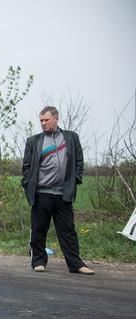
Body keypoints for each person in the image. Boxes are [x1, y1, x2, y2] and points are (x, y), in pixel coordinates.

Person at [21, 106, 94, 275]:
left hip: (63, 194)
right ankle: (38, 261)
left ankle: (76, 265)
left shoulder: (70, 138)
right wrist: (28, 183)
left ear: (56, 119)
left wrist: (75, 179)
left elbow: (79, 161)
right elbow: (26, 167)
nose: (43, 123)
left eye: (46, 120)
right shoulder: (33, 141)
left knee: (68, 230)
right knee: (39, 229)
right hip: (41, 194)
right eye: (41, 121)